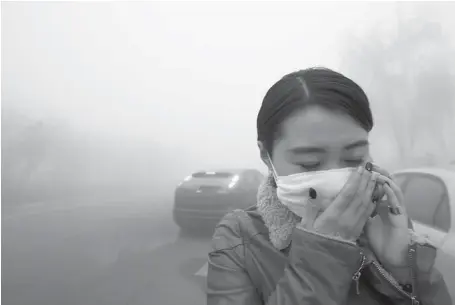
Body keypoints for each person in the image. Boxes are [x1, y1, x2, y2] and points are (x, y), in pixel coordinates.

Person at [206, 67, 452, 305]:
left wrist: (401, 269)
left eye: (354, 158)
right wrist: (323, 257)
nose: (336, 180)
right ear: (265, 155)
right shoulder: (239, 237)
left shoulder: (385, 224)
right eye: (309, 163)